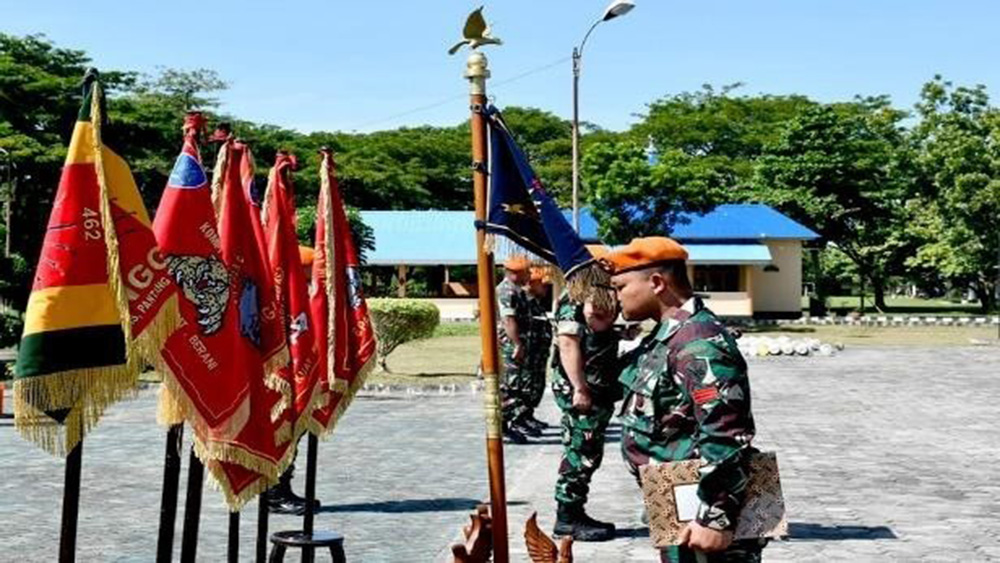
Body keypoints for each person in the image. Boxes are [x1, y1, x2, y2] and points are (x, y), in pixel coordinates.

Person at [605, 237, 764, 563]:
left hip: (704, 505)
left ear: (657, 283)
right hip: (672, 492)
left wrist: (716, 515)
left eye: (620, 286)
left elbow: (726, 432)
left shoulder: (699, 341)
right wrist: (596, 333)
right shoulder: (667, 336)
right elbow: (605, 389)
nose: (615, 296)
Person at [550, 289, 623, 541]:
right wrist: (579, 388)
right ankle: (568, 517)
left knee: (588, 450)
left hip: (596, 386)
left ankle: (573, 511)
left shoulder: (594, 293)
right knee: (581, 449)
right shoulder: (575, 301)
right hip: (583, 389)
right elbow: (568, 345)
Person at [496, 255, 534, 443]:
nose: (529, 274)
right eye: (526, 271)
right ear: (515, 273)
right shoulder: (506, 291)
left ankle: (509, 424)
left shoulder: (516, 290)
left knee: (515, 386)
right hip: (508, 346)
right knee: (508, 387)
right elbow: (508, 320)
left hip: (516, 344)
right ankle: (502, 428)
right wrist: (517, 343)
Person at [522, 266, 553, 433]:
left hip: (538, 353)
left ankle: (528, 415)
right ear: (531, 284)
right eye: (543, 284)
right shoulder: (524, 301)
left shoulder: (536, 303)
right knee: (526, 385)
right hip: (529, 353)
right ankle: (521, 417)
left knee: (535, 385)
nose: (546, 288)